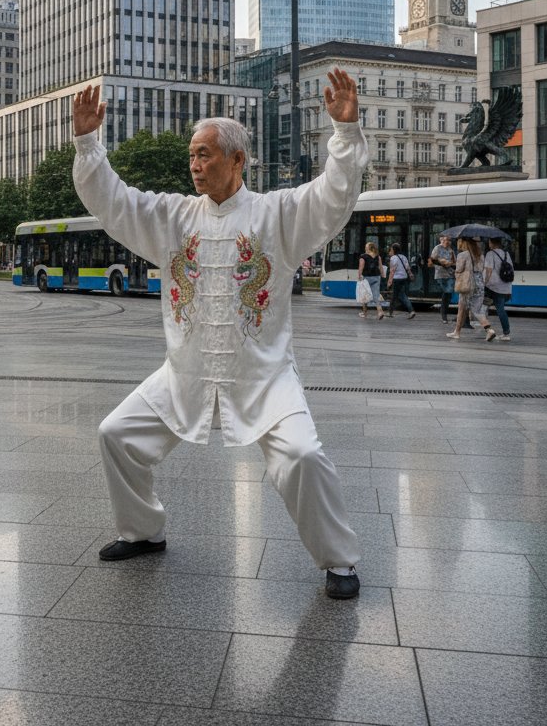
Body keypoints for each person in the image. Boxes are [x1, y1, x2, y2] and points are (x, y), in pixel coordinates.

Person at [72, 69, 367, 600]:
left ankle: (340, 562)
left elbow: (332, 198)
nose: (194, 165)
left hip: (263, 377)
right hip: (182, 375)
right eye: (192, 155)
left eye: (205, 154)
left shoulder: (277, 214)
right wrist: (89, 143)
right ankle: (142, 531)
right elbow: (115, 202)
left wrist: (343, 136)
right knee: (116, 434)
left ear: (237, 160)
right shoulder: (173, 216)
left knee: (301, 456)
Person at [447, 237, 496, 341]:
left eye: (460, 242)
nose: (458, 244)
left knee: (474, 310)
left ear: (464, 243)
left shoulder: (462, 254)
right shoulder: (480, 255)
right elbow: (482, 268)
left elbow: (459, 269)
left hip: (467, 284)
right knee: (463, 307)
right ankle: (457, 331)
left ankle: (489, 329)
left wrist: (452, 265)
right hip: (479, 283)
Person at [483, 237, 513, 341]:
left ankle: (506, 333)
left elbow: (489, 270)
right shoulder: (506, 254)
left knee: (499, 309)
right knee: (497, 307)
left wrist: (484, 282)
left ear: (492, 243)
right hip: (506, 285)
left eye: (489, 242)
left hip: (495, 286)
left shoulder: (490, 254)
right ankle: (484, 324)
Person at [429, 233, 456, 323]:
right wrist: (442, 262)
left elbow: (454, 262)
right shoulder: (437, 248)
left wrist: (450, 264)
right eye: (445, 240)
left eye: (449, 240)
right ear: (441, 240)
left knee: (448, 294)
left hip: (450, 274)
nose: (447, 242)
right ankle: (444, 315)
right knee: (446, 292)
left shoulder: (451, 250)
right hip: (441, 274)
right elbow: (432, 261)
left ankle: (444, 313)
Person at [386, 243, 415, 318]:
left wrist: (389, 281)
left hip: (396, 279)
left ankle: (390, 313)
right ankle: (411, 311)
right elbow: (408, 268)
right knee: (402, 295)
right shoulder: (404, 257)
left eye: (392, 249)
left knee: (394, 296)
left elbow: (392, 271)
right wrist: (411, 275)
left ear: (394, 250)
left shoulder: (393, 258)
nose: (391, 250)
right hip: (404, 278)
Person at [357, 241, 386, 319]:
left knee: (364, 294)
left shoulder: (363, 256)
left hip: (366, 277)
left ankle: (364, 312)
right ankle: (380, 311)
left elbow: (361, 267)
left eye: (366, 246)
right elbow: (380, 267)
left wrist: (359, 276)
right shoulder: (378, 256)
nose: (365, 247)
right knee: (376, 294)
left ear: (368, 248)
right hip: (377, 276)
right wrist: (383, 275)